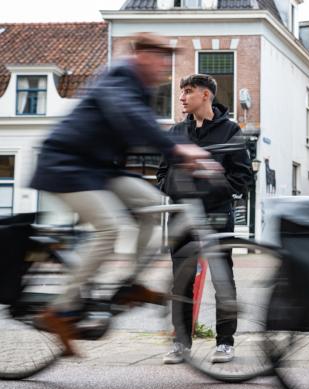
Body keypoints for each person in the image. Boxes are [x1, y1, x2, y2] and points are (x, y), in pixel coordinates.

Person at [30, 33, 214, 356]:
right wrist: (176, 150)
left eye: (167, 58)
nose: (164, 65)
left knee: (154, 205)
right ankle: (60, 309)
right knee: (111, 228)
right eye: (160, 57)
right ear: (141, 56)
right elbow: (130, 116)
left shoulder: (142, 89)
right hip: (67, 165)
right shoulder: (119, 76)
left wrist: (180, 155)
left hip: (99, 168)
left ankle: (129, 283)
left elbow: (138, 128)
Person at [157, 74, 252, 364]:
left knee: (223, 280)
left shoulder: (230, 131)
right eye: (181, 92)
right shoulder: (176, 132)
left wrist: (208, 188)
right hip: (182, 216)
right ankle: (181, 344)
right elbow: (161, 175)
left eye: (188, 91)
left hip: (216, 215)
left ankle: (225, 343)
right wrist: (179, 188)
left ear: (206, 95)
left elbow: (242, 177)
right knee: (180, 282)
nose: (182, 97)